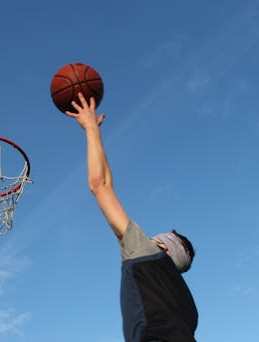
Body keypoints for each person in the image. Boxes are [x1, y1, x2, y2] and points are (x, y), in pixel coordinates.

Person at [67, 92, 198, 342]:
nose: (149, 239)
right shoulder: (188, 308)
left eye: (155, 238)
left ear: (163, 247)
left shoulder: (149, 256)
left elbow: (99, 185)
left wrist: (91, 128)